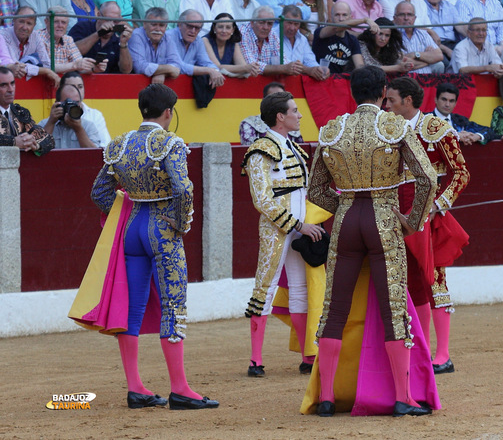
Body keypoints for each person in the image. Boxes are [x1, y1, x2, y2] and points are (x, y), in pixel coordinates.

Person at [303, 66, 437, 417]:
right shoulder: (395, 126)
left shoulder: (332, 130)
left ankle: (327, 398)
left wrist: (345, 204)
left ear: (352, 92)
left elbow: (315, 189)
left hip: (347, 221)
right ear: (382, 94)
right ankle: (403, 397)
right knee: (393, 312)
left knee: (334, 312)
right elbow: (427, 179)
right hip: (383, 218)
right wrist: (412, 222)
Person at [76, 83, 219, 410]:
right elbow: (183, 189)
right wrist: (180, 224)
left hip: (132, 228)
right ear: (169, 112)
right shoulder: (170, 144)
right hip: (161, 229)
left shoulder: (119, 144)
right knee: (173, 303)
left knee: (132, 306)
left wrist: (127, 204)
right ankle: (180, 388)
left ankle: (136, 388)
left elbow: (99, 193)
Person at [386, 76, 470, 375]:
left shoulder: (435, 129)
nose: (386, 105)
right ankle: (419, 347)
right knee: (408, 281)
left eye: (391, 99)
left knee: (434, 279)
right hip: (396, 214)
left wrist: (437, 206)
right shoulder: (388, 129)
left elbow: (461, 172)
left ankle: (443, 353)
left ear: (407, 100)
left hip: (427, 215)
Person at [241, 90, 326, 377]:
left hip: (302, 227)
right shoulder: (260, 149)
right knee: (264, 288)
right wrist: (299, 225)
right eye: (294, 111)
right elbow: (262, 200)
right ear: (281, 116)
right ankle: (255, 360)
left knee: (300, 290)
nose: (299, 115)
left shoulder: (294, 147)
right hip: (278, 228)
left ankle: (307, 356)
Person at [0, 6, 60, 87]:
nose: (24, 27)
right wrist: (45, 71)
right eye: (21, 21)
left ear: (34, 25)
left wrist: (74, 65)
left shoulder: (35, 36)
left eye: (29, 23)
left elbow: (48, 64)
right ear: (13, 20)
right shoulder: (3, 35)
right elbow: (14, 66)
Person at [0, 66, 54, 155]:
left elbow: (49, 139)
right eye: (4, 85)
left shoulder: (20, 112)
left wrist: (35, 145)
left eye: (12, 84)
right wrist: (13, 142)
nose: (11, 90)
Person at [69, 1, 134, 74]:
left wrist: (123, 44)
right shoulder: (82, 27)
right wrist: (98, 34)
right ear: (99, 15)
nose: (111, 24)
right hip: (78, 79)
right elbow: (71, 53)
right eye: (107, 19)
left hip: (106, 82)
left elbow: (126, 70)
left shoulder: (117, 40)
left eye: (116, 21)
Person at [40, 6, 108, 74]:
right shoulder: (38, 38)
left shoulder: (68, 40)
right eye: (56, 22)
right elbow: (43, 66)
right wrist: (74, 65)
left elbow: (80, 67)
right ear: (46, 22)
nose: (60, 25)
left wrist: (94, 68)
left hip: (64, 83)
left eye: (63, 22)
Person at [166, 9, 224, 88]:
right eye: (190, 26)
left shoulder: (198, 40)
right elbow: (178, 66)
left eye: (197, 28)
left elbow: (206, 62)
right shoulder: (168, 37)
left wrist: (215, 71)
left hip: (184, 89)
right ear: (179, 24)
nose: (193, 31)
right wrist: (209, 70)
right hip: (165, 85)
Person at [239, 6, 303, 76]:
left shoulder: (272, 34)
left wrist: (295, 67)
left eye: (270, 23)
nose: (266, 27)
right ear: (252, 23)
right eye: (261, 23)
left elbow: (283, 60)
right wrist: (283, 68)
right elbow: (251, 66)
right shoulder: (243, 33)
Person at [311, 1, 369, 74]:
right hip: (320, 78)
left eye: (344, 15)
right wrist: (364, 20)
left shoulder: (352, 40)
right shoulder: (320, 32)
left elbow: (360, 66)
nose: (341, 19)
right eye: (337, 15)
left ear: (351, 17)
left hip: (340, 81)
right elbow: (336, 28)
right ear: (331, 17)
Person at [430, 82, 496, 145]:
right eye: (444, 99)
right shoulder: (425, 118)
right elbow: (428, 136)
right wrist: (456, 136)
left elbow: (489, 131)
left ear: (455, 103)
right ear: (436, 99)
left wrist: (476, 136)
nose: (447, 104)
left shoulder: (460, 120)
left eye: (451, 101)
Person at [239, 81, 304, 145]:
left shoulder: (291, 122)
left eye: (282, 98)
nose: (279, 102)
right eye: (275, 99)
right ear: (264, 101)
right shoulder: (250, 124)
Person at [39, 84, 102, 149]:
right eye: (68, 103)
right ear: (57, 104)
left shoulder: (88, 126)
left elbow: (94, 155)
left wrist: (78, 129)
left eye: (76, 103)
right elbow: (38, 151)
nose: (72, 107)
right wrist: (51, 123)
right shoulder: (44, 124)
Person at [129, 7, 181, 83]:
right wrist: (169, 69)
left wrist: (162, 74)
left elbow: (177, 66)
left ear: (166, 27)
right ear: (144, 24)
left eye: (161, 25)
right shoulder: (136, 35)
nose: (157, 29)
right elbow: (139, 67)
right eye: (154, 24)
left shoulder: (168, 38)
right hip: (134, 84)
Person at [59, 71, 111, 146]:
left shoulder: (95, 116)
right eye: (72, 87)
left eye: (80, 87)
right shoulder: (56, 113)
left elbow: (105, 146)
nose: (77, 91)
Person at [202, 12, 260, 78]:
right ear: (214, 28)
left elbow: (241, 65)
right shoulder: (205, 40)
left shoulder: (233, 43)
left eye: (228, 27)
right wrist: (246, 68)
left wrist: (252, 67)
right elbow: (217, 67)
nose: (224, 31)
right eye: (220, 27)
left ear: (233, 30)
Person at [394, 1, 444, 74]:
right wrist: (428, 60)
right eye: (402, 15)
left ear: (414, 18)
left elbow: (439, 56)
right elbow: (402, 63)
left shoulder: (423, 34)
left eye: (410, 14)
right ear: (395, 18)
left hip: (427, 79)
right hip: (405, 80)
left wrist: (416, 54)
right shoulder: (392, 36)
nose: (406, 18)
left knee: (440, 65)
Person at [282, 5, 329, 81]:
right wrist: (308, 70)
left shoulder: (302, 39)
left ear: (300, 24)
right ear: (282, 20)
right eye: (289, 23)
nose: (292, 28)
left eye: (296, 24)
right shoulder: (273, 35)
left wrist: (318, 70)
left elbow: (310, 60)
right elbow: (285, 64)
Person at [424, 0, 462, 65]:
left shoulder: (448, 6)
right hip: (433, 45)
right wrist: (447, 50)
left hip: (453, 44)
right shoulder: (421, 5)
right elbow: (422, 32)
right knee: (449, 65)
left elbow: (460, 25)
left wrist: (472, 33)